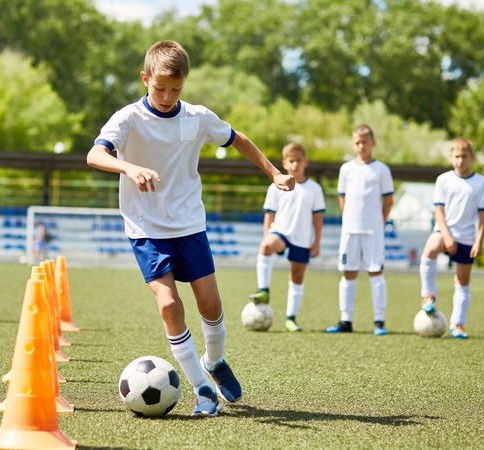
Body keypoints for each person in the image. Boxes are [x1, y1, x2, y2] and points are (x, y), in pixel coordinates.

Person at [87, 40, 295, 417]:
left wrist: (274, 172)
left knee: (211, 303)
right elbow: (95, 153)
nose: (167, 96)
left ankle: (214, 362)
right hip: (146, 227)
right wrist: (128, 167)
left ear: (185, 83)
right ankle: (203, 389)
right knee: (169, 304)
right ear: (145, 78)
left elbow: (239, 140)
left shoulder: (196, 117)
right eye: (159, 88)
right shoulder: (128, 118)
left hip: (188, 224)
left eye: (176, 89)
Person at [248, 143, 325, 333]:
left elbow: (318, 217)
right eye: (291, 161)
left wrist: (316, 241)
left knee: (297, 276)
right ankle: (264, 291)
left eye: (299, 160)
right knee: (266, 246)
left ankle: (291, 318)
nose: (295, 164)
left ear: (305, 162)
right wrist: (267, 235)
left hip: (303, 238)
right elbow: (269, 214)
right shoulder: (276, 186)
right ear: (285, 163)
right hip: (281, 232)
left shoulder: (314, 189)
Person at [326, 125, 394, 335]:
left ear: (373, 143)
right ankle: (346, 320)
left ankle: (379, 321)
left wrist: (378, 223)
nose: (361, 146)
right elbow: (342, 197)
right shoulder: (346, 169)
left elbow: (388, 200)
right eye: (357, 142)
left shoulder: (382, 170)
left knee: (376, 272)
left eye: (365, 142)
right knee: (348, 273)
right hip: (350, 230)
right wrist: (349, 219)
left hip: (374, 231)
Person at [419, 137, 484, 339]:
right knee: (431, 247)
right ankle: (428, 295)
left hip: (467, 238)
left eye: (464, 157)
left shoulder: (481, 182)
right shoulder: (443, 180)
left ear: (472, 157)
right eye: (456, 156)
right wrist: (447, 236)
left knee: (463, 281)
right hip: (445, 232)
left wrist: (479, 240)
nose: (460, 161)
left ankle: (457, 324)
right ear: (451, 157)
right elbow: (438, 210)